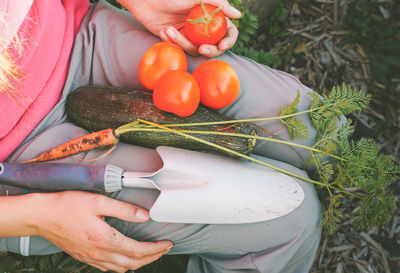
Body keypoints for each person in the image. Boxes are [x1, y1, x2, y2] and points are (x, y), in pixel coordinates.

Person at [0, 0, 323, 272]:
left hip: (75, 34)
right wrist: (32, 217)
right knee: (290, 219)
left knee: (315, 126)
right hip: (18, 161)